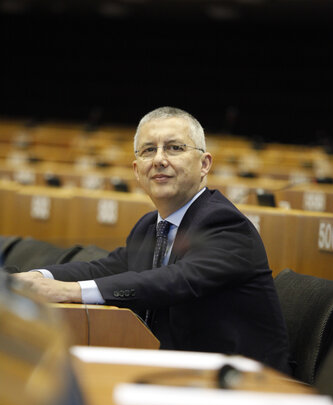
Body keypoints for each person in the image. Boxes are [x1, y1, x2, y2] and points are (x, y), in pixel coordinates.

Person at [14, 107, 291, 373]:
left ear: (205, 164)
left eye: (174, 148)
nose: (159, 159)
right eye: (149, 150)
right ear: (137, 170)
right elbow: (105, 269)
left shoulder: (224, 223)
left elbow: (175, 280)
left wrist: (70, 291)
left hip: (243, 385)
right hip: (177, 374)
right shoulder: (150, 226)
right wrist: (31, 278)